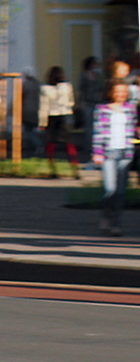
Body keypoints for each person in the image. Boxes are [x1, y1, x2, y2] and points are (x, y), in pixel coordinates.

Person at [93, 80, 137, 236]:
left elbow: (133, 129)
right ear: (111, 92)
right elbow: (98, 132)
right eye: (118, 91)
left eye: (124, 91)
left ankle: (116, 224)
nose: (121, 94)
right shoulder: (102, 109)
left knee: (120, 192)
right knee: (110, 189)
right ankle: (106, 216)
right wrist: (97, 152)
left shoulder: (130, 109)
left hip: (125, 153)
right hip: (108, 153)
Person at [40, 66, 79, 178]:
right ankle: (75, 168)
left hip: (51, 116)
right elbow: (71, 102)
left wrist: (42, 123)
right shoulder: (67, 87)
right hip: (65, 114)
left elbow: (44, 106)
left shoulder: (45, 88)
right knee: (69, 143)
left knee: (51, 143)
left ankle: (52, 169)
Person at [79, 57, 104, 166]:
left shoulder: (99, 76)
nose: (96, 66)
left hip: (98, 103)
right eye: (95, 64)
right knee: (89, 126)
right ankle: (88, 147)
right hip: (88, 102)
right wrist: (81, 103)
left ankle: (97, 147)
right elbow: (81, 90)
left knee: (98, 126)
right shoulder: (84, 75)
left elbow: (102, 88)